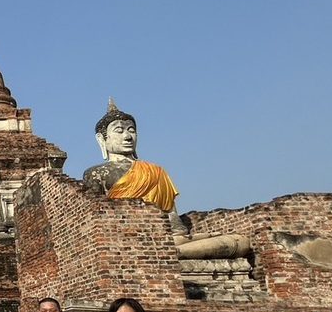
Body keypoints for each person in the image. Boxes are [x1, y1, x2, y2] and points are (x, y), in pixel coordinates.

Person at [82, 98, 250, 260]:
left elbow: (172, 216)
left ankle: (169, 254)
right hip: (125, 239)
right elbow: (99, 218)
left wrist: (176, 232)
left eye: (131, 130)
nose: (127, 137)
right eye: (119, 131)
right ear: (102, 139)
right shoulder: (97, 174)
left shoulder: (155, 171)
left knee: (238, 242)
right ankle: (168, 254)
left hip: (168, 239)